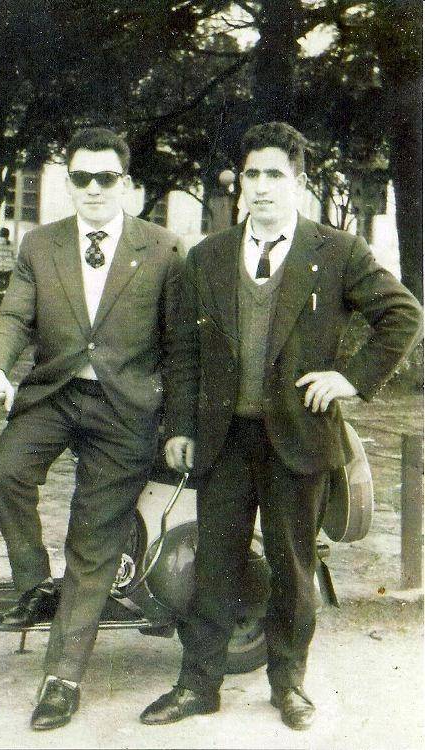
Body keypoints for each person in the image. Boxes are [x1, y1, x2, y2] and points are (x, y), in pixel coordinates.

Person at [140, 122, 422, 731]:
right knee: (215, 562)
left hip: (300, 437)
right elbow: (184, 352)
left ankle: (288, 683)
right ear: (239, 182)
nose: (262, 187)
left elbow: (403, 315)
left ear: (298, 182)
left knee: (294, 566)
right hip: (223, 439)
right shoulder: (207, 256)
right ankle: (198, 685)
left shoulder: (337, 251)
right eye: (253, 175)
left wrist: (350, 378)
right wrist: (180, 426)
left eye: (275, 175)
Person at [0, 127, 189, 730]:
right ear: (68, 183)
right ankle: (37, 586)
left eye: (106, 177)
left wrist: (176, 420)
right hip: (56, 394)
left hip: (125, 409)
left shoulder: (163, 249)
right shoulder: (41, 245)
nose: (94, 188)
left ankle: (61, 680)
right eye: (81, 177)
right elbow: (15, 316)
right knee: (3, 473)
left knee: (93, 540)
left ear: (127, 184)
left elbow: (180, 346)